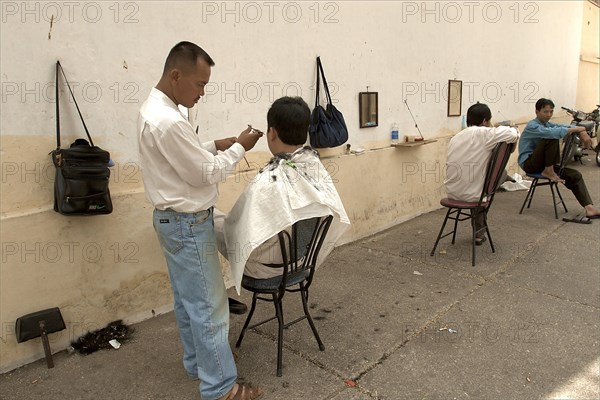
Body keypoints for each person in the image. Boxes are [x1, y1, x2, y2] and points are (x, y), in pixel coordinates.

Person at [137, 41, 263, 400]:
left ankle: (199, 362)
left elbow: (180, 160)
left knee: (188, 301)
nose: (202, 93)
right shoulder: (168, 121)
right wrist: (240, 146)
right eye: (200, 84)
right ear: (176, 75)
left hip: (172, 221)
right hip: (187, 224)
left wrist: (213, 143)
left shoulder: (156, 110)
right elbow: (205, 174)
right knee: (210, 308)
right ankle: (221, 387)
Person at [215, 96, 350, 292]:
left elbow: (237, 231)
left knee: (209, 218)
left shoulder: (268, 181)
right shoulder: (315, 167)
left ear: (271, 133)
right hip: (301, 262)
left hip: (264, 271)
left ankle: (211, 298)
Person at [445, 103, 520, 245]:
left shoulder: (456, 137)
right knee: (499, 174)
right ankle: (479, 231)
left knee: (479, 179)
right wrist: (503, 127)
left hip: (452, 192)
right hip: (475, 195)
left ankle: (479, 231)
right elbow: (513, 134)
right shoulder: (485, 133)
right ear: (485, 121)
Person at [518, 98, 600, 220]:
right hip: (529, 163)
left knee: (575, 175)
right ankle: (549, 171)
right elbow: (553, 133)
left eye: (551, 112)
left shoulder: (546, 124)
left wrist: (581, 129)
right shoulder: (532, 125)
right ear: (537, 112)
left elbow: (561, 126)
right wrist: (578, 129)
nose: (549, 115)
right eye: (545, 112)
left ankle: (589, 208)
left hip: (544, 164)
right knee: (551, 136)